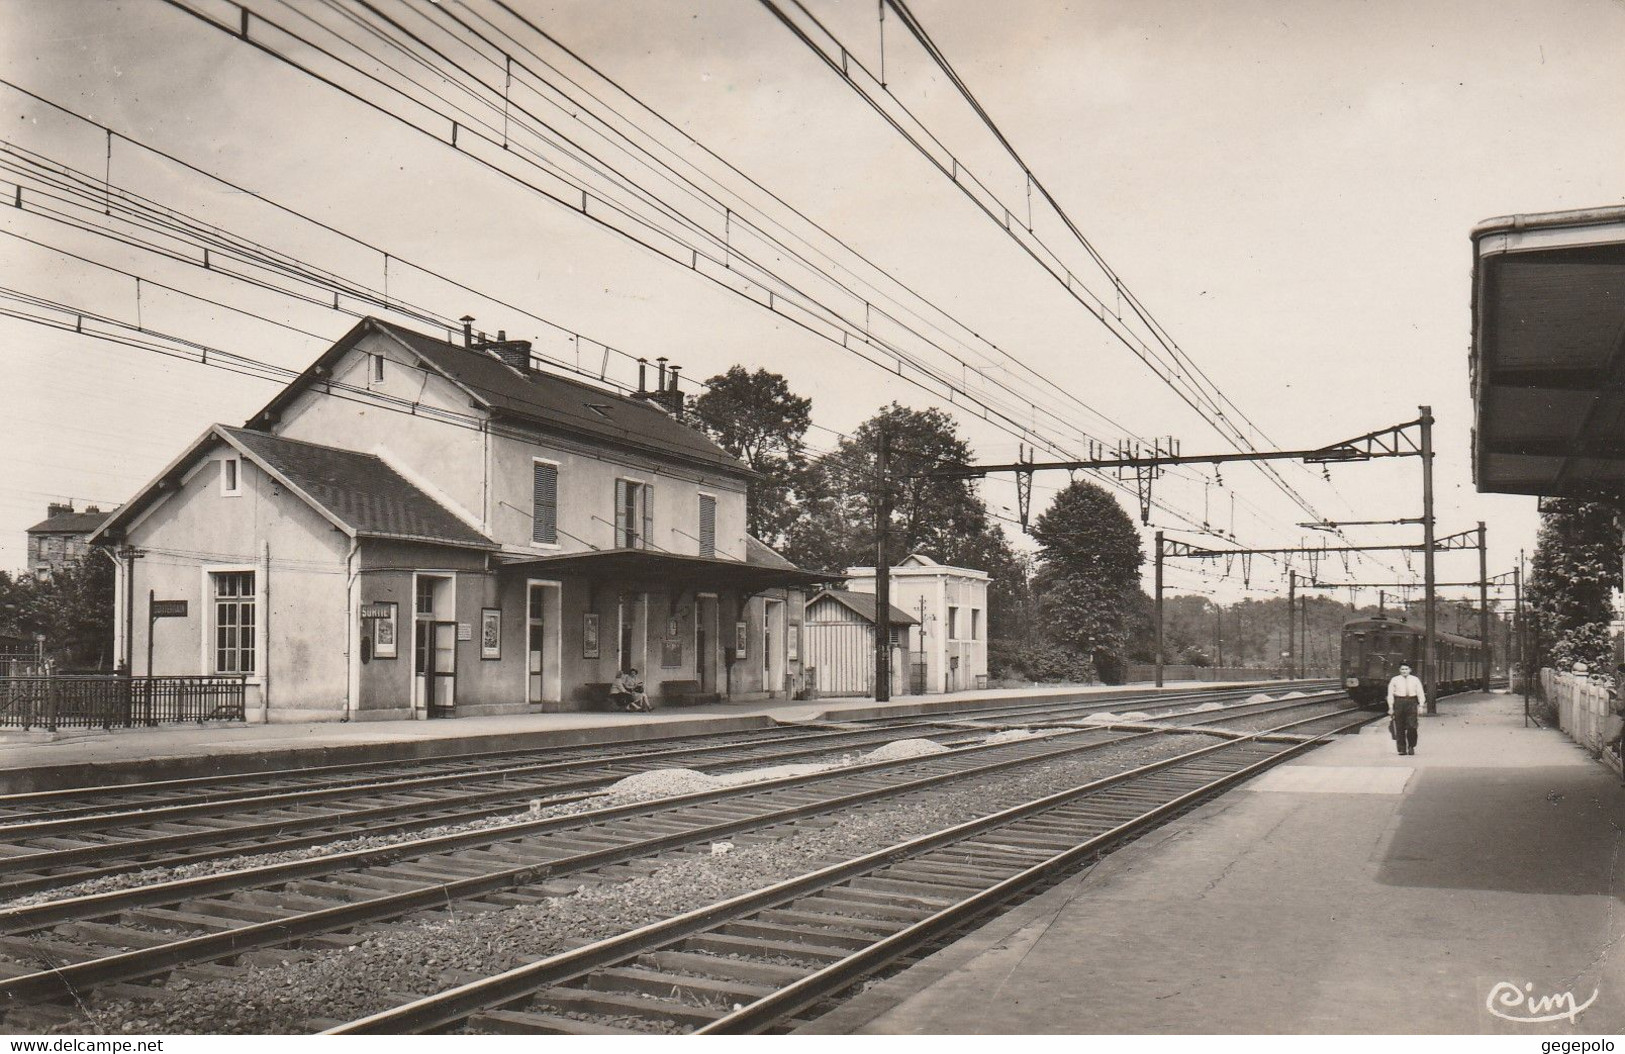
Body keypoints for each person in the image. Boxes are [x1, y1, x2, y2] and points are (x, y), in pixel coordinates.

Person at [1386, 662, 1425, 756]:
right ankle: (1402, 749)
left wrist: (1421, 705)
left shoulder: (1415, 680)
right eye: (1402, 669)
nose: (1404, 671)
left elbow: (1420, 692)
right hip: (1399, 702)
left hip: (1411, 702)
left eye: (1406, 669)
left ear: (1410, 670)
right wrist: (1390, 707)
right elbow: (1390, 694)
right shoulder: (1394, 680)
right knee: (1399, 726)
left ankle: (1411, 746)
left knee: (1412, 726)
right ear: (1399, 670)